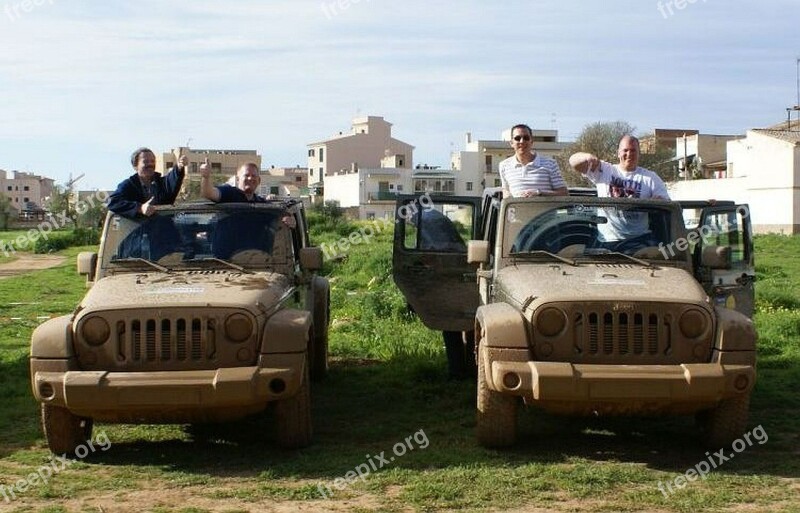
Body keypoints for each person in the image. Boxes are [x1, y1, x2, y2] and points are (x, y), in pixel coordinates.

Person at [569, 135, 670, 252]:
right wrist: (586, 157)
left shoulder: (651, 178)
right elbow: (573, 162)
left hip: (639, 240)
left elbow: (666, 205)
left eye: (633, 150)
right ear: (618, 153)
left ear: (639, 154)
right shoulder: (604, 170)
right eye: (625, 150)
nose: (629, 154)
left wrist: (658, 202)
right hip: (606, 241)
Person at [108, 147, 187, 218]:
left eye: (152, 161)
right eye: (145, 161)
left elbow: (173, 180)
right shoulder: (128, 185)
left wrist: (179, 167)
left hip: (164, 231)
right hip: (139, 231)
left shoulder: (161, 183)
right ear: (135, 165)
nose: (150, 164)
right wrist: (140, 208)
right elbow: (112, 202)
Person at [499, 124, 568, 199]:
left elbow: (564, 194)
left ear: (531, 141)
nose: (522, 141)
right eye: (517, 138)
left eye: (526, 138)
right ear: (511, 143)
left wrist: (539, 193)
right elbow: (505, 190)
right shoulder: (504, 165)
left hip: (545, 210)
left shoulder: (550, 163)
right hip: (518, 210)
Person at [200, 159, 266, 203]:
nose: (250, 178)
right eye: (246, 175)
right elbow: (209, 193)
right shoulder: (229, 192)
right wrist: (206, 177)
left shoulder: (261, 203)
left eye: (253, 176)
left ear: (259, 180)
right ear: (237, 179)